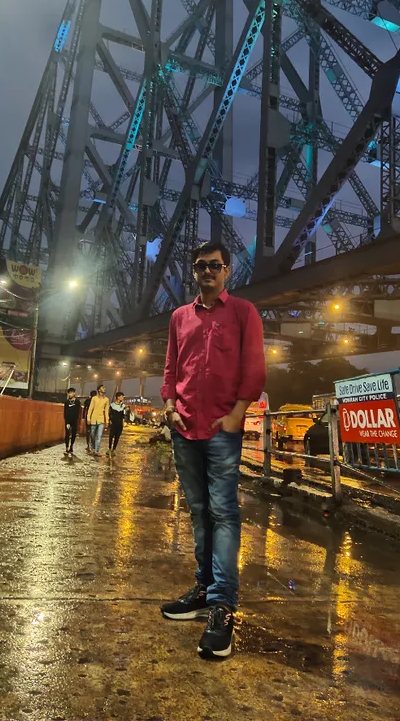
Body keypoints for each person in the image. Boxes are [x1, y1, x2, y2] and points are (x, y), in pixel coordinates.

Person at [160, 241, 266, 659]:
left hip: (222, 427)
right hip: (184, 425)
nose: (208, 271)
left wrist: (239, 412)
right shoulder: (178, 317)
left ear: (228, 271)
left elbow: (254, 365)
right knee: (199, 512)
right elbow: (172, 365)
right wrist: (168, 406)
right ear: (194, 271)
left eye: (216, 266)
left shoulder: (243, 312)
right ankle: (203, 589)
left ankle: (223, 606)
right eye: (202, 266)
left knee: (223, 512)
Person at [87, 383, 109, 455]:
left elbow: (106, 411)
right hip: (93, 418)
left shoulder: (106, 400)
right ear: (98, 391)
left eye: (104, 391)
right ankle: (93, 448)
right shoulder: (94, 398)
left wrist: (107, 421)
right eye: (101, 391)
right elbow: (90, 409)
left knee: (99, 436)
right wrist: (88, 418)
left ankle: (97, 450)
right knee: (92, 435)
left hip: (101, 419)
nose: (103, 392)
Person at [63, 387, 81, 455]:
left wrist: (77, 421)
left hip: (74, 421)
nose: (70, 394)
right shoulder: (67, 402)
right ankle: (66, 448)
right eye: (69, 393)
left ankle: (71, 446)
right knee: (67, 434)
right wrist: (65, 420)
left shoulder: (77, 402)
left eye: (71, 393)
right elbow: (65, 411)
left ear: (74, 393)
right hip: (68, 421)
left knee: (73, 434)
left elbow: (78, 412)